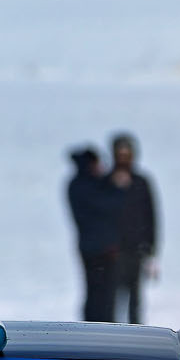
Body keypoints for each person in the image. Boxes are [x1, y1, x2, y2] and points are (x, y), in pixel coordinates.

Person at [106, 132, 158, 324]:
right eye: (120, 154)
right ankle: (110, 335)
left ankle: (137, 335)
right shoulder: (106, 182)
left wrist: (151, 253)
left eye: (127, 154)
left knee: (135, 301)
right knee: (111, 301)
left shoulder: (141, 182)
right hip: (112, 253)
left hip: (136, 252)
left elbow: (151, 218)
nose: (124, 158)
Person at [65, 146, 121, 322]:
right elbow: (108, 205)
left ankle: (91, 324)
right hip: (101, 249)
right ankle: (103, 326)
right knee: (104, 294)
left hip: (87, 247)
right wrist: (114, 184)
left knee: (93, 292)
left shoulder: (75, 184)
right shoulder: (89, 185)